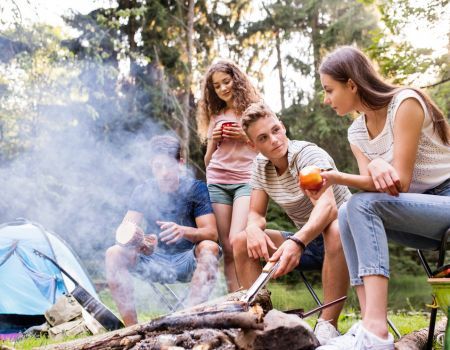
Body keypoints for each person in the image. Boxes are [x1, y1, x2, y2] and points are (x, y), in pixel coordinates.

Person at [315, 46, 450, 350]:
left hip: (445, 202)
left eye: (329, 90)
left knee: (358, 205)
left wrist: (335, 176)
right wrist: (371, 167)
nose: (326, 99)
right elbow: (376, 188)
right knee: (349, 210)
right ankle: (369, 325)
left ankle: (376, 333)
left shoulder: (405, 103)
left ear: (352, 84)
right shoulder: (356, 133)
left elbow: (399, 180)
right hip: (418, 217)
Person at [232, 101, 351, 345]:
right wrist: (253, 228)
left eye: (276, 130)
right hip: (308, 243)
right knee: (241, 241)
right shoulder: (260, 166)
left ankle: (327, 327)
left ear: (283, 127)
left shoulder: (307, 155)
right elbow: (256, 213)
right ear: (253, 145)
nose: (274, 140)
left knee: (336, 228)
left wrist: (297, 241)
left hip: (346, 241)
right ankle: (262, 325)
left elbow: (328, 208)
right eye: (263, 138)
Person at [105, 135, 221, 326]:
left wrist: (184, 231)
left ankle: (188, 322)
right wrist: (140, 242)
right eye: (158, 167)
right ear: (151, 165)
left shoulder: (196, 189)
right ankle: (131, 330)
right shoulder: (143, 190)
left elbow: (211, 233)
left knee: (209, 248)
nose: (164, 173)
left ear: (180, 163)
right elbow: (123, 233)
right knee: (114, 253)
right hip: (154, 260)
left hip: (187, 260)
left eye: (169, 166)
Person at [197, 60, 261, 292]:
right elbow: (207, 161)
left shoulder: (254, 112)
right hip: (218, 181)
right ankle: (236, 301)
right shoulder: (216, 117)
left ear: (237, 79)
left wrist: (245, 136)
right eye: (217, 86)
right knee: (226, 246)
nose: (223, 88)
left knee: (237, 240)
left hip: (247, 180)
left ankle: (251, 295)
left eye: (227, 81)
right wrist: (214, 139)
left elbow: (270, 147)